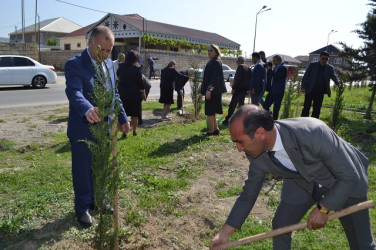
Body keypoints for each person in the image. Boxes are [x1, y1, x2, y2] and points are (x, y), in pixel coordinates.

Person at [210, 104, 375, 250]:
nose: (239, 149)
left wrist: (323, 209)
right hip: (300, 180)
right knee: (281, 225)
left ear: (260, 133)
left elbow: (348, 175)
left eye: (240, 142)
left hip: (342, 179)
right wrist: (224, 233)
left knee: (361, 243)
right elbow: (248, 194)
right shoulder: (256, 155)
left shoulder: (313, 132)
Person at [65, 25, 130, 228]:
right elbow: (74, 92)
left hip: (105, 129)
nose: (106, 54)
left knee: (100, 166)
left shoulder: (109, 65)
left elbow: (114, 94)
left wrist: (122, 117)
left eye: (110, 50)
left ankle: (98, 200)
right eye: (102, 49)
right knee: (83, 170)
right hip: (83, 128)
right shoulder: (75, 64)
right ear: (90, 42)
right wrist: (86, 109)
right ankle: (83, 207)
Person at [301, 51, 340, 118]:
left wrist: (339, 84)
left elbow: (334, 76)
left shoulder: (330, 68)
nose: (324, 60)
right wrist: (303, 87)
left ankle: (314, 125)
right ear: (320, 57)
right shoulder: (312, 65)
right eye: (323, 58)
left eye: (326, 59)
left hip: (320, 92)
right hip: (310, 90)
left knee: (317, 110)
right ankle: (303, 124)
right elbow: (305, 76)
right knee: (306, 108)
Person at [117, 50, 146, 136]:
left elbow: (118, 75)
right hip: (134, 92)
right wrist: (143, 92)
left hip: (122, 92)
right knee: (134, 113)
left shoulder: (121, 66)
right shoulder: (137, 68)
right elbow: (140, 82)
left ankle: (124, 132)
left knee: (123, 112)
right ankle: (134, 131)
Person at [201, 44, 227, 136]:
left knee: (210, 111)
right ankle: (216, 129)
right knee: (212, 111)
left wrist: (209, 90)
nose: (209, 52)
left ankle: (211, 131)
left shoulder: (215, 62)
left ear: (216, 52)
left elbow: (214, 78)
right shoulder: (213, 61)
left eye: (211, 50)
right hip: (213, 91)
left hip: (213, 91)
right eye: (208, 50)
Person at [222, 56, 251, 125]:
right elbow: (249, 79)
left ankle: (228, 119)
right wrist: (248, 88)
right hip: (244, 90)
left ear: (240, 61)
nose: (236, 63)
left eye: (237, 61)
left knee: (232, 105)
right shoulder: (248, 68)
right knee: (241, 105)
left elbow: (237, 78)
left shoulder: (240, 67)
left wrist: (233, 88)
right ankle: (241, 119)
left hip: (238, 89)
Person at [263, 55, 288, 120]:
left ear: (279, 60)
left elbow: (277, 77)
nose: (273, 62)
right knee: (266, 105)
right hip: (272, 90)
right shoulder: (276, 67)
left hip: (278, 91)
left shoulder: (283, 67)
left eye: (275, 61)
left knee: (276, 109)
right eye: (273, 61)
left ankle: (274, 122)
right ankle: (266, 119)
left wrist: (270, 70)